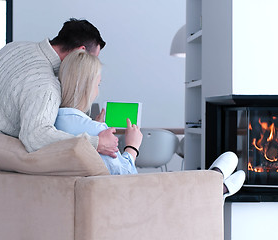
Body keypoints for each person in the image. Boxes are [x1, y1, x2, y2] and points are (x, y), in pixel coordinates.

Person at [54, 50, 245, 198]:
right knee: (173, 181)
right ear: (87, 87)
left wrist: (92, 125)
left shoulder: (54, 124)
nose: (97, 92)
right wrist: (132, 147)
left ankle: (215, 182)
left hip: (93, 194)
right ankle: (217, 186)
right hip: (128, 196)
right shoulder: (96, 132)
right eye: (98, 85)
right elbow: (126, 177)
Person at [0, 18, 119, 172]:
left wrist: (89, 124)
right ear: (81, 51)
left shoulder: (15, 47)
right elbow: (36, 137)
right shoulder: (45, 84)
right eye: (93, 58)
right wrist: (96, 143)